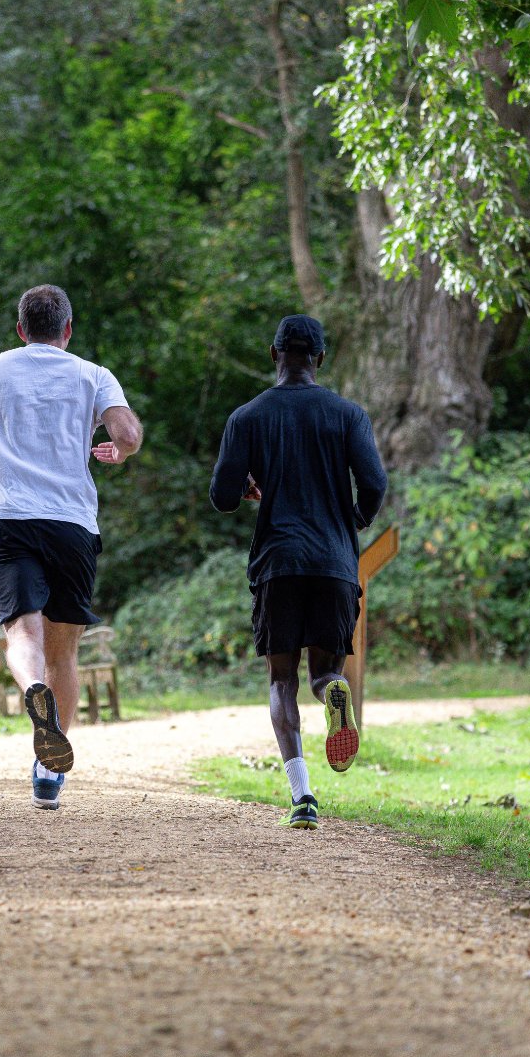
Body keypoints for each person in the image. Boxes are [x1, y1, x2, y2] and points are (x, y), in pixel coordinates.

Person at [0, 284, 142, 811]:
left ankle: (31, 692)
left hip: (10, 521)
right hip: (72, 522)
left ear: (21, 329)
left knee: (22, 631)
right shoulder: (92, 375)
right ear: (66, 330)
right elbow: (128, 431)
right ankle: (49, 772)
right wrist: (118, 448)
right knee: (63, 650)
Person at [209, 314, 387, 830]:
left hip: (277, 564)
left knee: (280, 679)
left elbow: (221, 497)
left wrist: (245, 485)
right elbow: (374, 484)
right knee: (323, 672)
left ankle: (302, 795)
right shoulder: (347, 414)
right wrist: (350, 520)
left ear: (274, 354)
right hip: (334, 562)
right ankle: (334, 690)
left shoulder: (248, 417)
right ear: (321, 359)